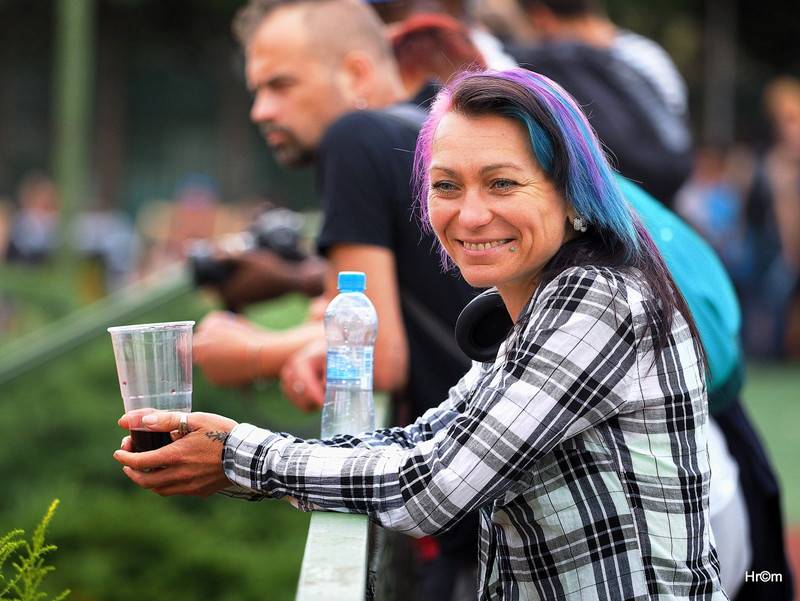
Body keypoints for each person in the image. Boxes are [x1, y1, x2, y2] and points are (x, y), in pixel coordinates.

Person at [114, 68, 726, 600]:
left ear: (573, 195)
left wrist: (239, 454)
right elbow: (421, 442)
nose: (470, 214)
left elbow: (431, 488)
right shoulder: (529, 304)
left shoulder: (597, 299)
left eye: (503, 183)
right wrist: (233, 458)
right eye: (446, 185)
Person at [191, 0, 480, 597]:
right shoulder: (430, 123)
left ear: (355, 73)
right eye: (256, 90)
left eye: (280, 85)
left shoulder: (355, 136)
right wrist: (309, 334)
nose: (261, 110)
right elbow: (364, 310)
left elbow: (378, 353)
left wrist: (248, 354)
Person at [509, 0, 693, 205]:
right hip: (670, 192)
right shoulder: (646, 52)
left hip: (632, 197)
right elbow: (675, 129)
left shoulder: (566, 66)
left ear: (541, 17)